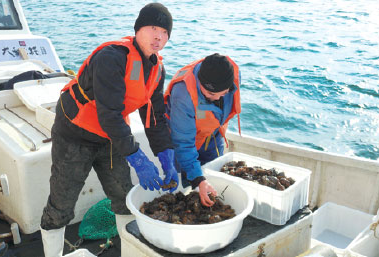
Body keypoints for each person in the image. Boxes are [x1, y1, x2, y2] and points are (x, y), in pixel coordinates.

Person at [40, 3, 179, 257]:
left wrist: (166, 154)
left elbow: (155, 117)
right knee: (62, 202)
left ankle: (129, 252)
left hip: (112, 137)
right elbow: (110, 114)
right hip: (75, 133)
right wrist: (137, 157)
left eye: (165, 32)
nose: (158, 36)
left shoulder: (157, 69)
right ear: (138, 30)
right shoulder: (112, 58)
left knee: (123, 195)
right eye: (153, 28)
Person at [164, 53, 241, 207]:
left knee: (214, 178)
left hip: (212, 134)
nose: (218, 98)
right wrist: (198, 179)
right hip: (181, 138)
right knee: (188, 180)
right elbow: (183, 143)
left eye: (224, 93)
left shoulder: (230, 73)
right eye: (211, 93)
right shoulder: (183, 94)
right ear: (200, 82)